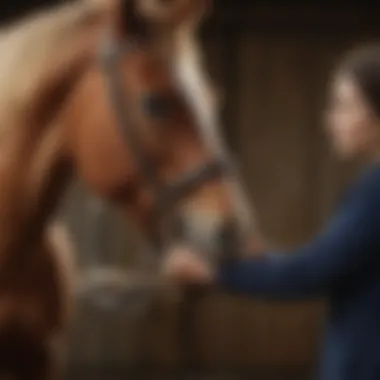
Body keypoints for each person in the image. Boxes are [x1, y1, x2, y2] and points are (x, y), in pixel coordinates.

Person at [162, 44, 380, 380]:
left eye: (343, 106)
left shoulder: (374, 193)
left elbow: (309, 273)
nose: (329, 122)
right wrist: (259, 261)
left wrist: (215, 273)